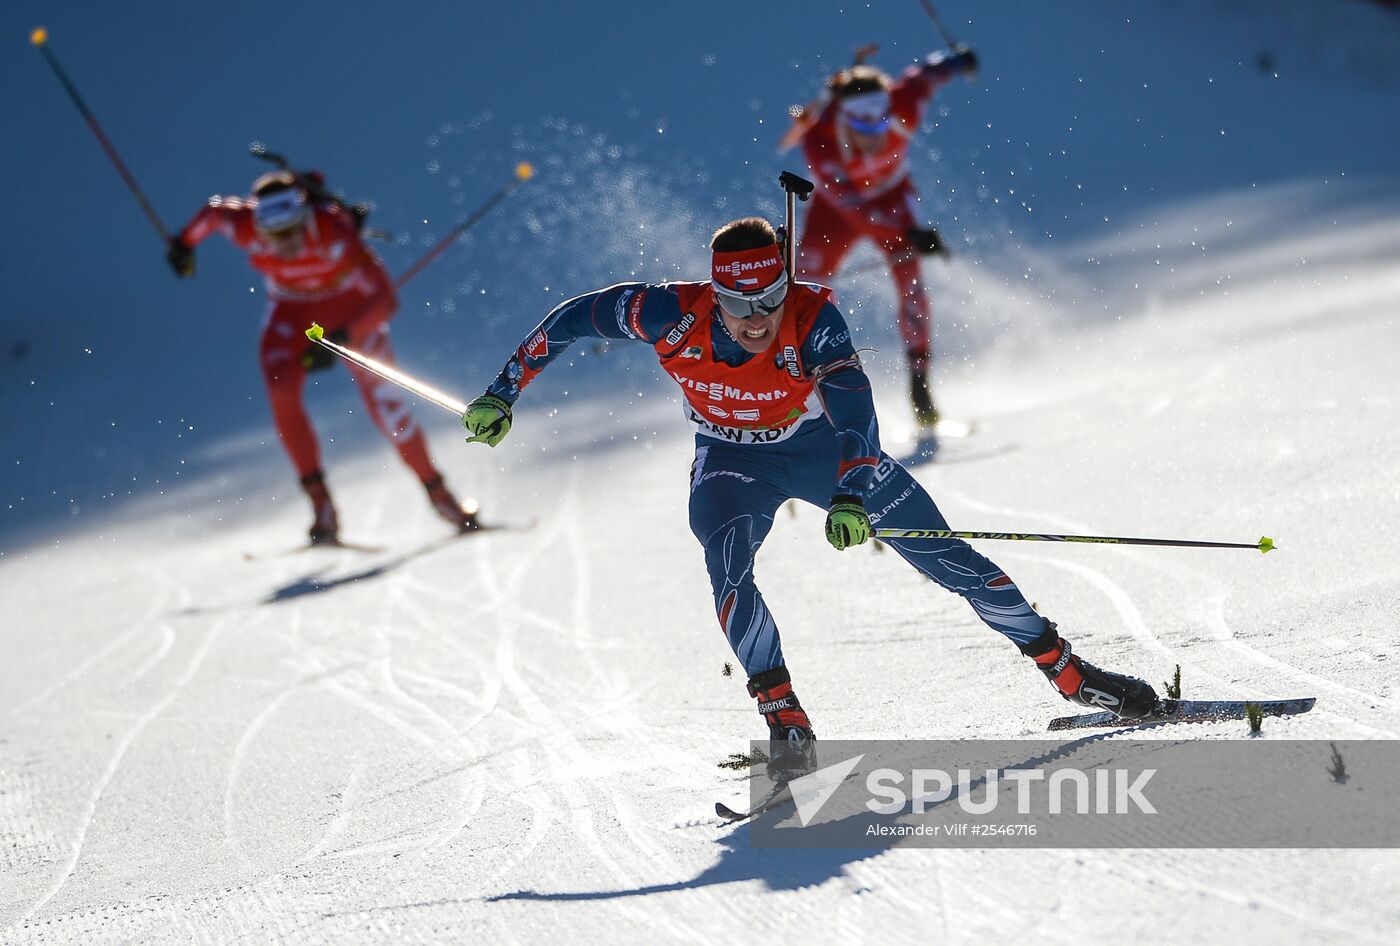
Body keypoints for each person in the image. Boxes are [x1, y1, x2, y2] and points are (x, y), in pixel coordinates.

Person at [460, 216, 1157, 781]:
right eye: (739, 305)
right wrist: (503, 391)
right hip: (730, 460)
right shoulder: (666, 312)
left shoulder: (813, 315)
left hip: (820, 454)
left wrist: (852, 491)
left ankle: (1068, 674)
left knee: (942, 556)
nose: (756, 319)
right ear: (715, 294)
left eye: (767, 300)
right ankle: (785, 722)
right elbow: (575, 319)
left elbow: (855, 412)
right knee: (727, 566)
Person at [166, 168, 478, 543]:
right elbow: (213, 214)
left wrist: (344, 338)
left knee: (386, 404)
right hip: (291, 310)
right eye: (274, 235)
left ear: (305, 218)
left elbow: (383, 299)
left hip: (350, 311)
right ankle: (321, 507)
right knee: (281, 391)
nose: (285, 244)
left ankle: (440, 495)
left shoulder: (335, 232)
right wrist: (183, 244)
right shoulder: (244, 224)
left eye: (291, 231)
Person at [784, 44, 979, 429]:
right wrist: (908, 233)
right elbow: (852, 207)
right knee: (804, 290)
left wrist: (957, 60)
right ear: (844, 117)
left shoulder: (903, 104)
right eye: (861, 127)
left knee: (912, 287)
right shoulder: (820, 139)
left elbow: (924, 75)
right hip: (837, 211)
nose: (873, 135)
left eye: (880, 124)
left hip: (892, 197)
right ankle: (802, 393)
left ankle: (919, 383)